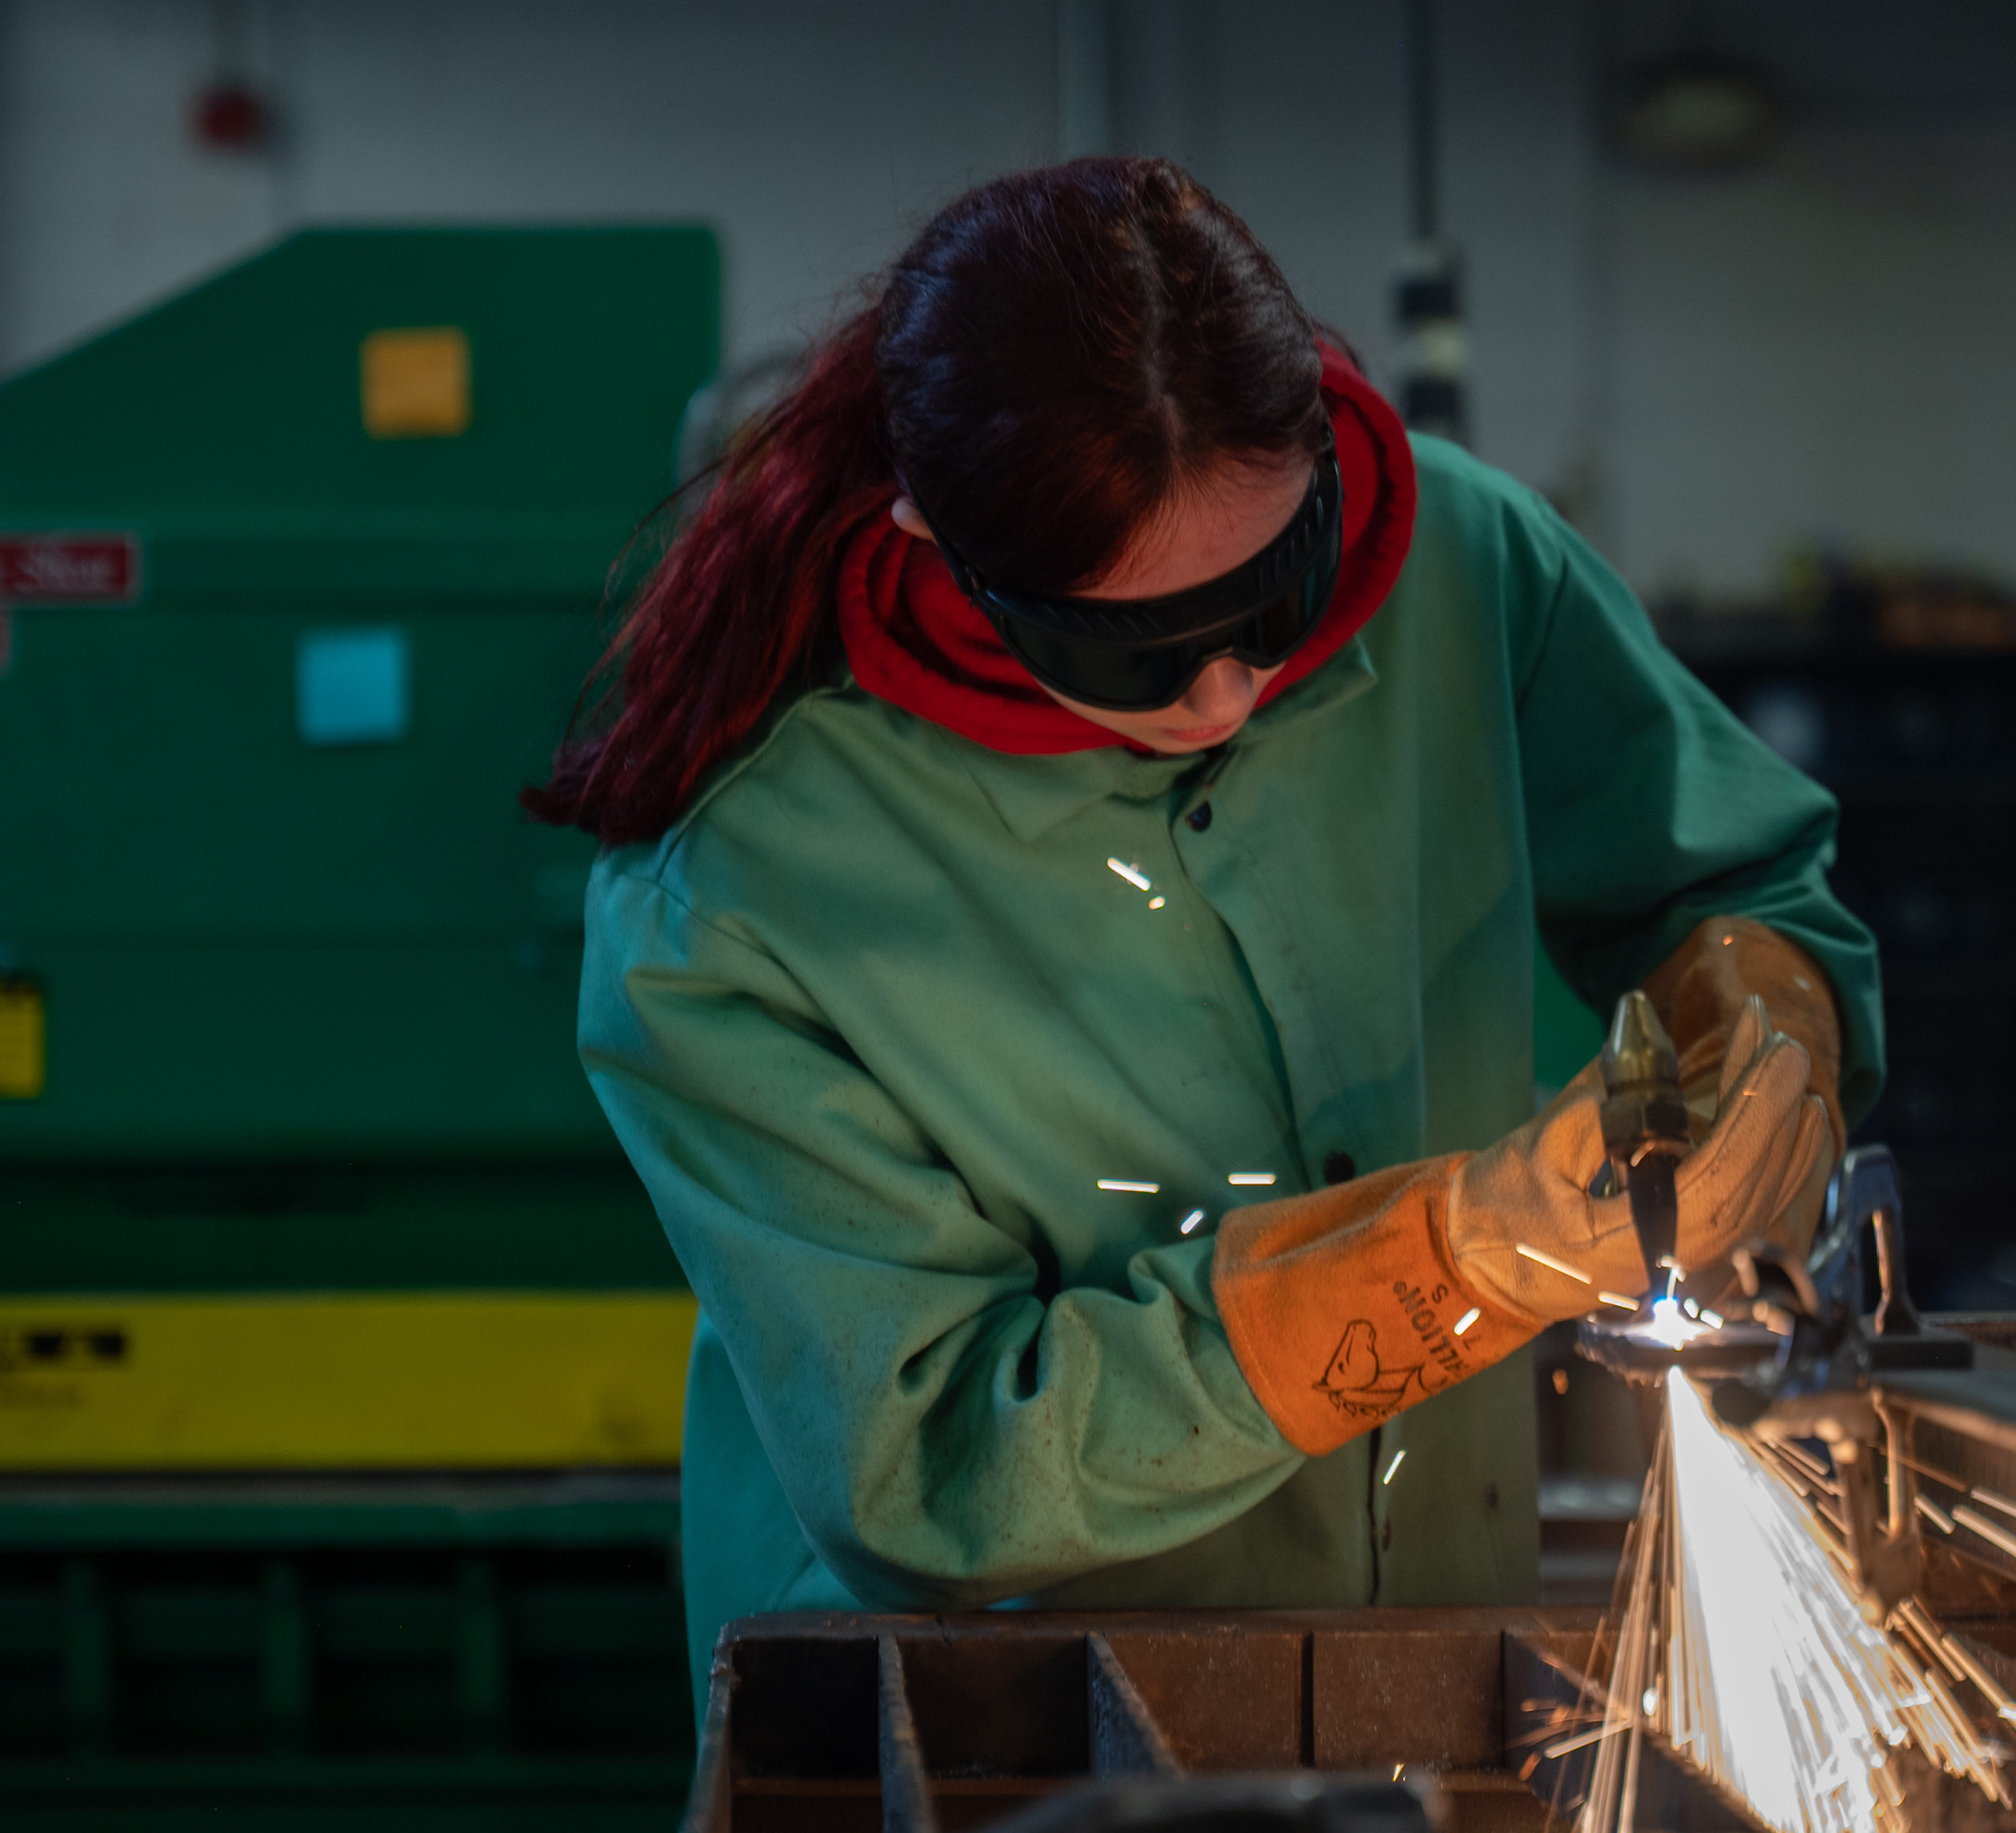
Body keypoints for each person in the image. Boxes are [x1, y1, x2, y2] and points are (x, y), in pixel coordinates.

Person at [529, 158, 1881, 1676]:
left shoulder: (1468, 566)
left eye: (1275, 600)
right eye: (1136, 651)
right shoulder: (737, 899)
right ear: (939, 549)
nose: (1229, 692)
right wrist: (1444, 1264)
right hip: (993, 1727)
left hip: (1428, 1667)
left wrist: (1762, 1033)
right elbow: (931, 1470)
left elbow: (1729, 879)